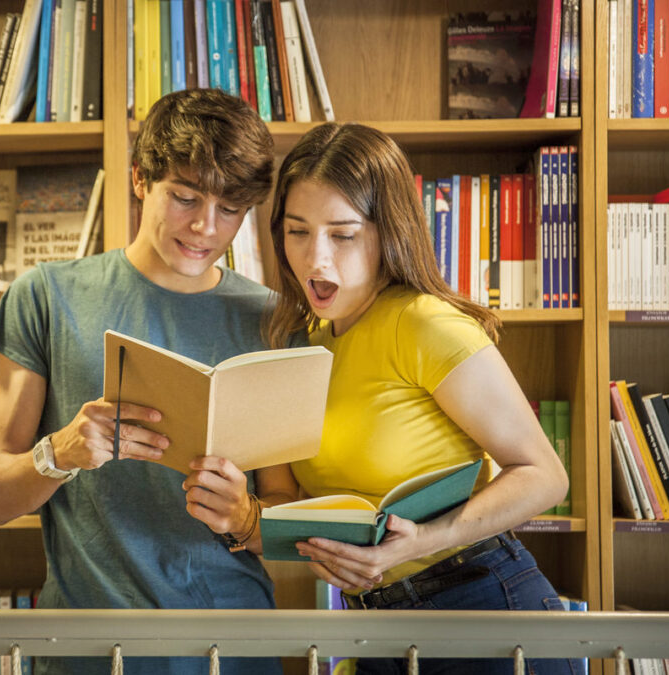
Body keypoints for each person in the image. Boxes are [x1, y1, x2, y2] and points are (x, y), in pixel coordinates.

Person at [0, 88, 296, 675]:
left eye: (230, 209)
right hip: (89, 649)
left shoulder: (272, 321)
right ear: (140, 180)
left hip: (232, 645)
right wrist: (60, 452)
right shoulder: (45, 297)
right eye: (185, 197)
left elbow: (290, 514)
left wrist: (245, 516)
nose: (204, 226)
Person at [263, 122, 580, 675]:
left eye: (343, 234)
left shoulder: (423, 322)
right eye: (297, 231)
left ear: (388, 232)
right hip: (374, 628)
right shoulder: (305, 344)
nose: (316, 259)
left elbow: (546, 476)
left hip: (479, 607)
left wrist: (421, 540)